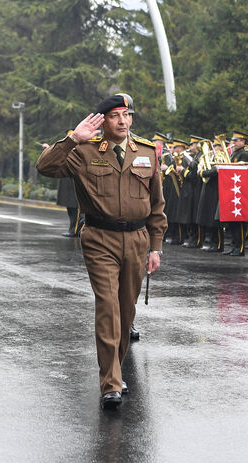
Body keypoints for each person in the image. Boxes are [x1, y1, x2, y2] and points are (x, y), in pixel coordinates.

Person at [36, 95, 166, 409]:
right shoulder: (85, 152)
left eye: (127, 115)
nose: (123, 121)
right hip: (100, 239)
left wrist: (156, 248)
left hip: (136, 239)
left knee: (126, 310)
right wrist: (71, 139)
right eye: (115, 116)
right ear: (103, 121)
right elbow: (45, 166)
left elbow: (157, 205)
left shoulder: (146, 153)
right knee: (108, 305)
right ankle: (110, 382)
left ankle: (116, 370)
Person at [48, 131, 84, 237]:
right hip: (67, 181)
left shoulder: (80, 149)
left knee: (77, 209)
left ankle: (76, 230)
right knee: (71, 208)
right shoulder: (66, 149)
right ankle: (73, 229)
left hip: (76, 182)